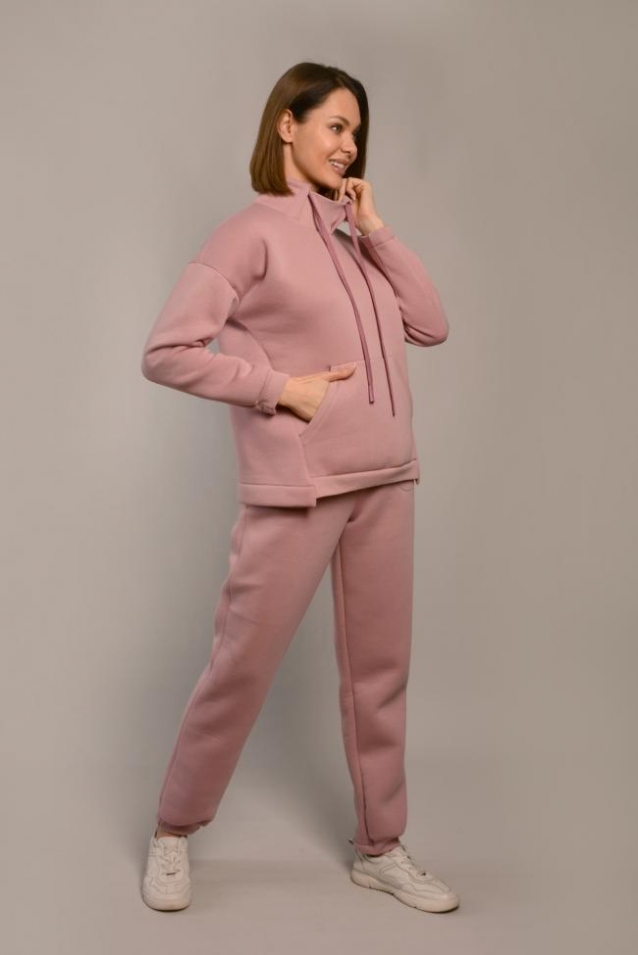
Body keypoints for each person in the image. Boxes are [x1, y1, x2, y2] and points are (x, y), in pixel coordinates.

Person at [139, 61, 459, 915]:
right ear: (289, 122)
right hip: (300, 489)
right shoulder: (251, 232)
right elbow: (167, 351)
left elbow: (431, 324)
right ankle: (173, 828)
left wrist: (377, 230)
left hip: (387, 479)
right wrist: (281, 389)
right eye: (335, 125)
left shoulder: (358, 243)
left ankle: (380, 846)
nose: (349, 144)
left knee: (380, 675)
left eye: (357, 132)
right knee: (241, 666)